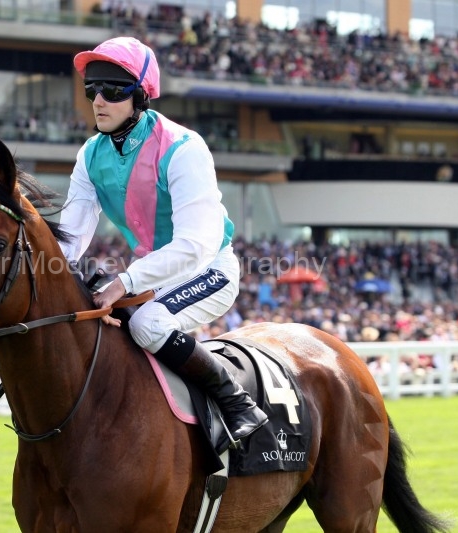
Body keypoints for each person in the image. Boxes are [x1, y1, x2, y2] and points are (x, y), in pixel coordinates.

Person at [58, 36, 267, 444]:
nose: (98, 101)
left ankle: (237, 402)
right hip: (155, 274)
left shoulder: (184, 148)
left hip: (209, 267)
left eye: (113, 90)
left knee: (148, 322)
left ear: (141, 95)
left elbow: (195, 245)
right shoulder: (89, 154)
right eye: (91, 89)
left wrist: (125, 282)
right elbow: (71, 235)